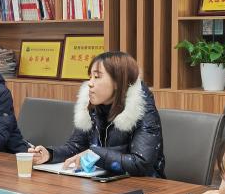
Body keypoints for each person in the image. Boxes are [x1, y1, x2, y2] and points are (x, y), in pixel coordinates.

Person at [29, 51, 164, 177]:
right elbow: (76, 147)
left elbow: (140, 164)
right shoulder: (92, 106)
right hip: (103, 182)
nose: (90, 83)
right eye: (90, 77)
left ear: (118, 81)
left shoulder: (141, 109)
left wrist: (95, 154)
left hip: (145, 187)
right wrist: (50, 155)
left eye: (97, 77)